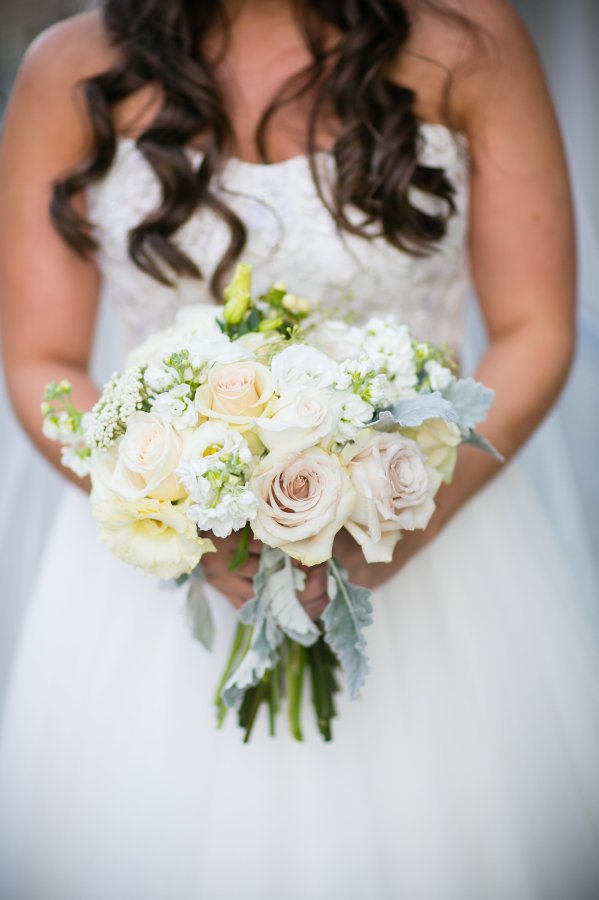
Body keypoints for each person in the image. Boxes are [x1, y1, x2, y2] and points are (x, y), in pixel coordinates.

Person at [0, 1, 598, 898]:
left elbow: (535, 327)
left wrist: (405, 512)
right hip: (157, 583)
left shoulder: (470, 42)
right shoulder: (69, 67)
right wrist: (183, 519)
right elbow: (40, 361)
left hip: (437, 546)